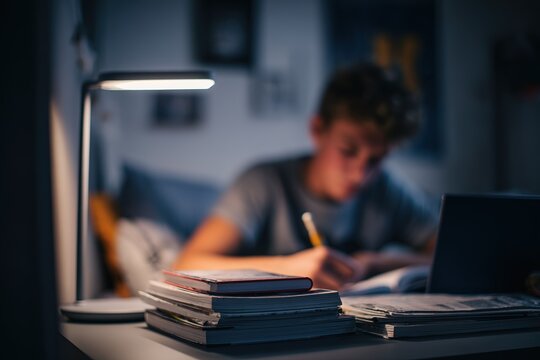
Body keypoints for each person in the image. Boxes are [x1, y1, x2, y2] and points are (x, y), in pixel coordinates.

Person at [173, 62, 438, 290]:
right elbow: (186, 265)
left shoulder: (387, 189)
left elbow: (451, 255)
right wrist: (286, 268)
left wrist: (376, 262)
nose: (360, 175)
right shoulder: (264, 183)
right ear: (317, 130)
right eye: (348, 151)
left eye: (376, 160)